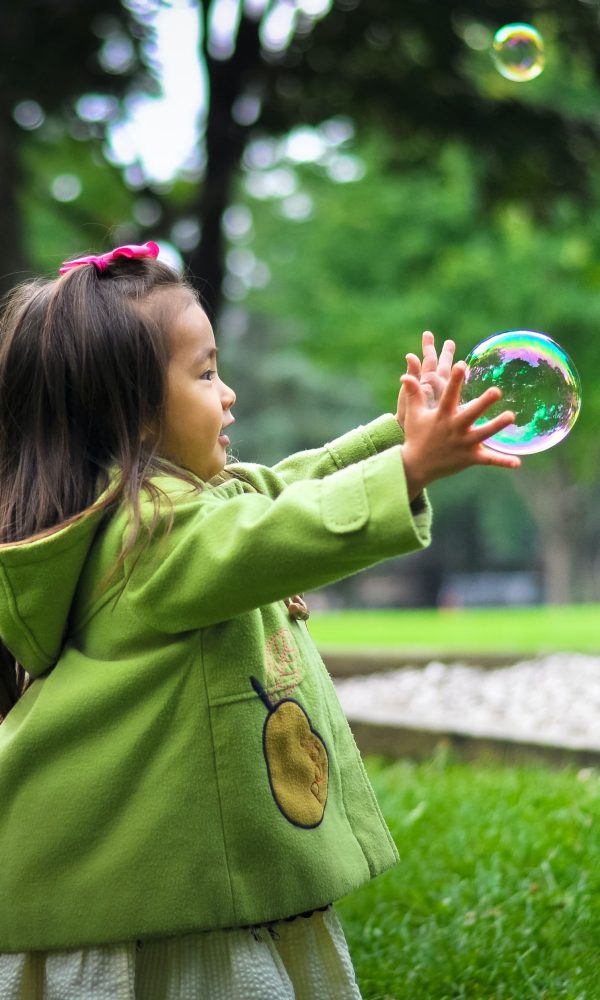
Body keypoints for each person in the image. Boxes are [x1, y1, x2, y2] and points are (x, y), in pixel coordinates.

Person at [0, 241, 520, 1000]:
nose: (229, 392)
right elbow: (276, 532)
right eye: (206, 373)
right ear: (136, 415)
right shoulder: (149, 537)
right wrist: (407, 469)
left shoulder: (175, 510)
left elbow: (281, 488)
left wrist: (392, 439)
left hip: (183, 881)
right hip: (162, 907)